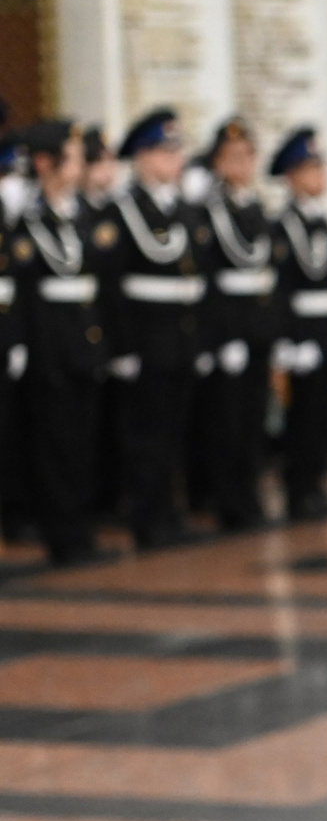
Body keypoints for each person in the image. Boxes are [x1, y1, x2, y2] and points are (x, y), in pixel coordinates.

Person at [94, 110, 213, 550]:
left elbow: (196, 282)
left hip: (180, 339)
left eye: (176, 151)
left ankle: (168, 511)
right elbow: (112, 287)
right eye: (165, 152)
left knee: (175, 433)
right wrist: (121, 348)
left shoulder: (184, 210)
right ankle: (147, 518)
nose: (174, 160)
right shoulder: (123, 212)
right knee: (144, 437)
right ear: (142, 158)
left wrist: (200, 339)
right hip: (145, 341)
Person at [5, 121, 108, 563]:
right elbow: (21, 295)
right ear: (45, 164)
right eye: (71, 156)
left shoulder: (82, 217)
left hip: (83, 343)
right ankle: (61, 535)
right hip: (49, 347)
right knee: (54, 445)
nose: (80, 163)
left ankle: (81, 530)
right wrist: (19, 347)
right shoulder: (28, 225)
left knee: (84, 442)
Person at [199, 117, 277, 529]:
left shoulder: (254, 206)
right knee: (226, 423)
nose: (241, 164)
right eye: (231, 157)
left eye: (247, 156)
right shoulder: (210, 211)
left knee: (252, 420)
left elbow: (267, 275)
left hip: (257, 326)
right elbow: (210, 281)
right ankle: (229, 502)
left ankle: (250, 497)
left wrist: (271, 329)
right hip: (229, 328)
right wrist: (223, 336)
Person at [270, 128, 327, 519]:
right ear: (292, 176)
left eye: (321, 167)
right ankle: (298, 489)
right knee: (302, 416)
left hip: (324, 327)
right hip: (301, 330)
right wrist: (287, 340)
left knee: (323, 415)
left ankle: (316, 483)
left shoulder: (321, 221)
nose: (320, 175)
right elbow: (281, 287)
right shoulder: (284, 225)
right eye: (310, 168)